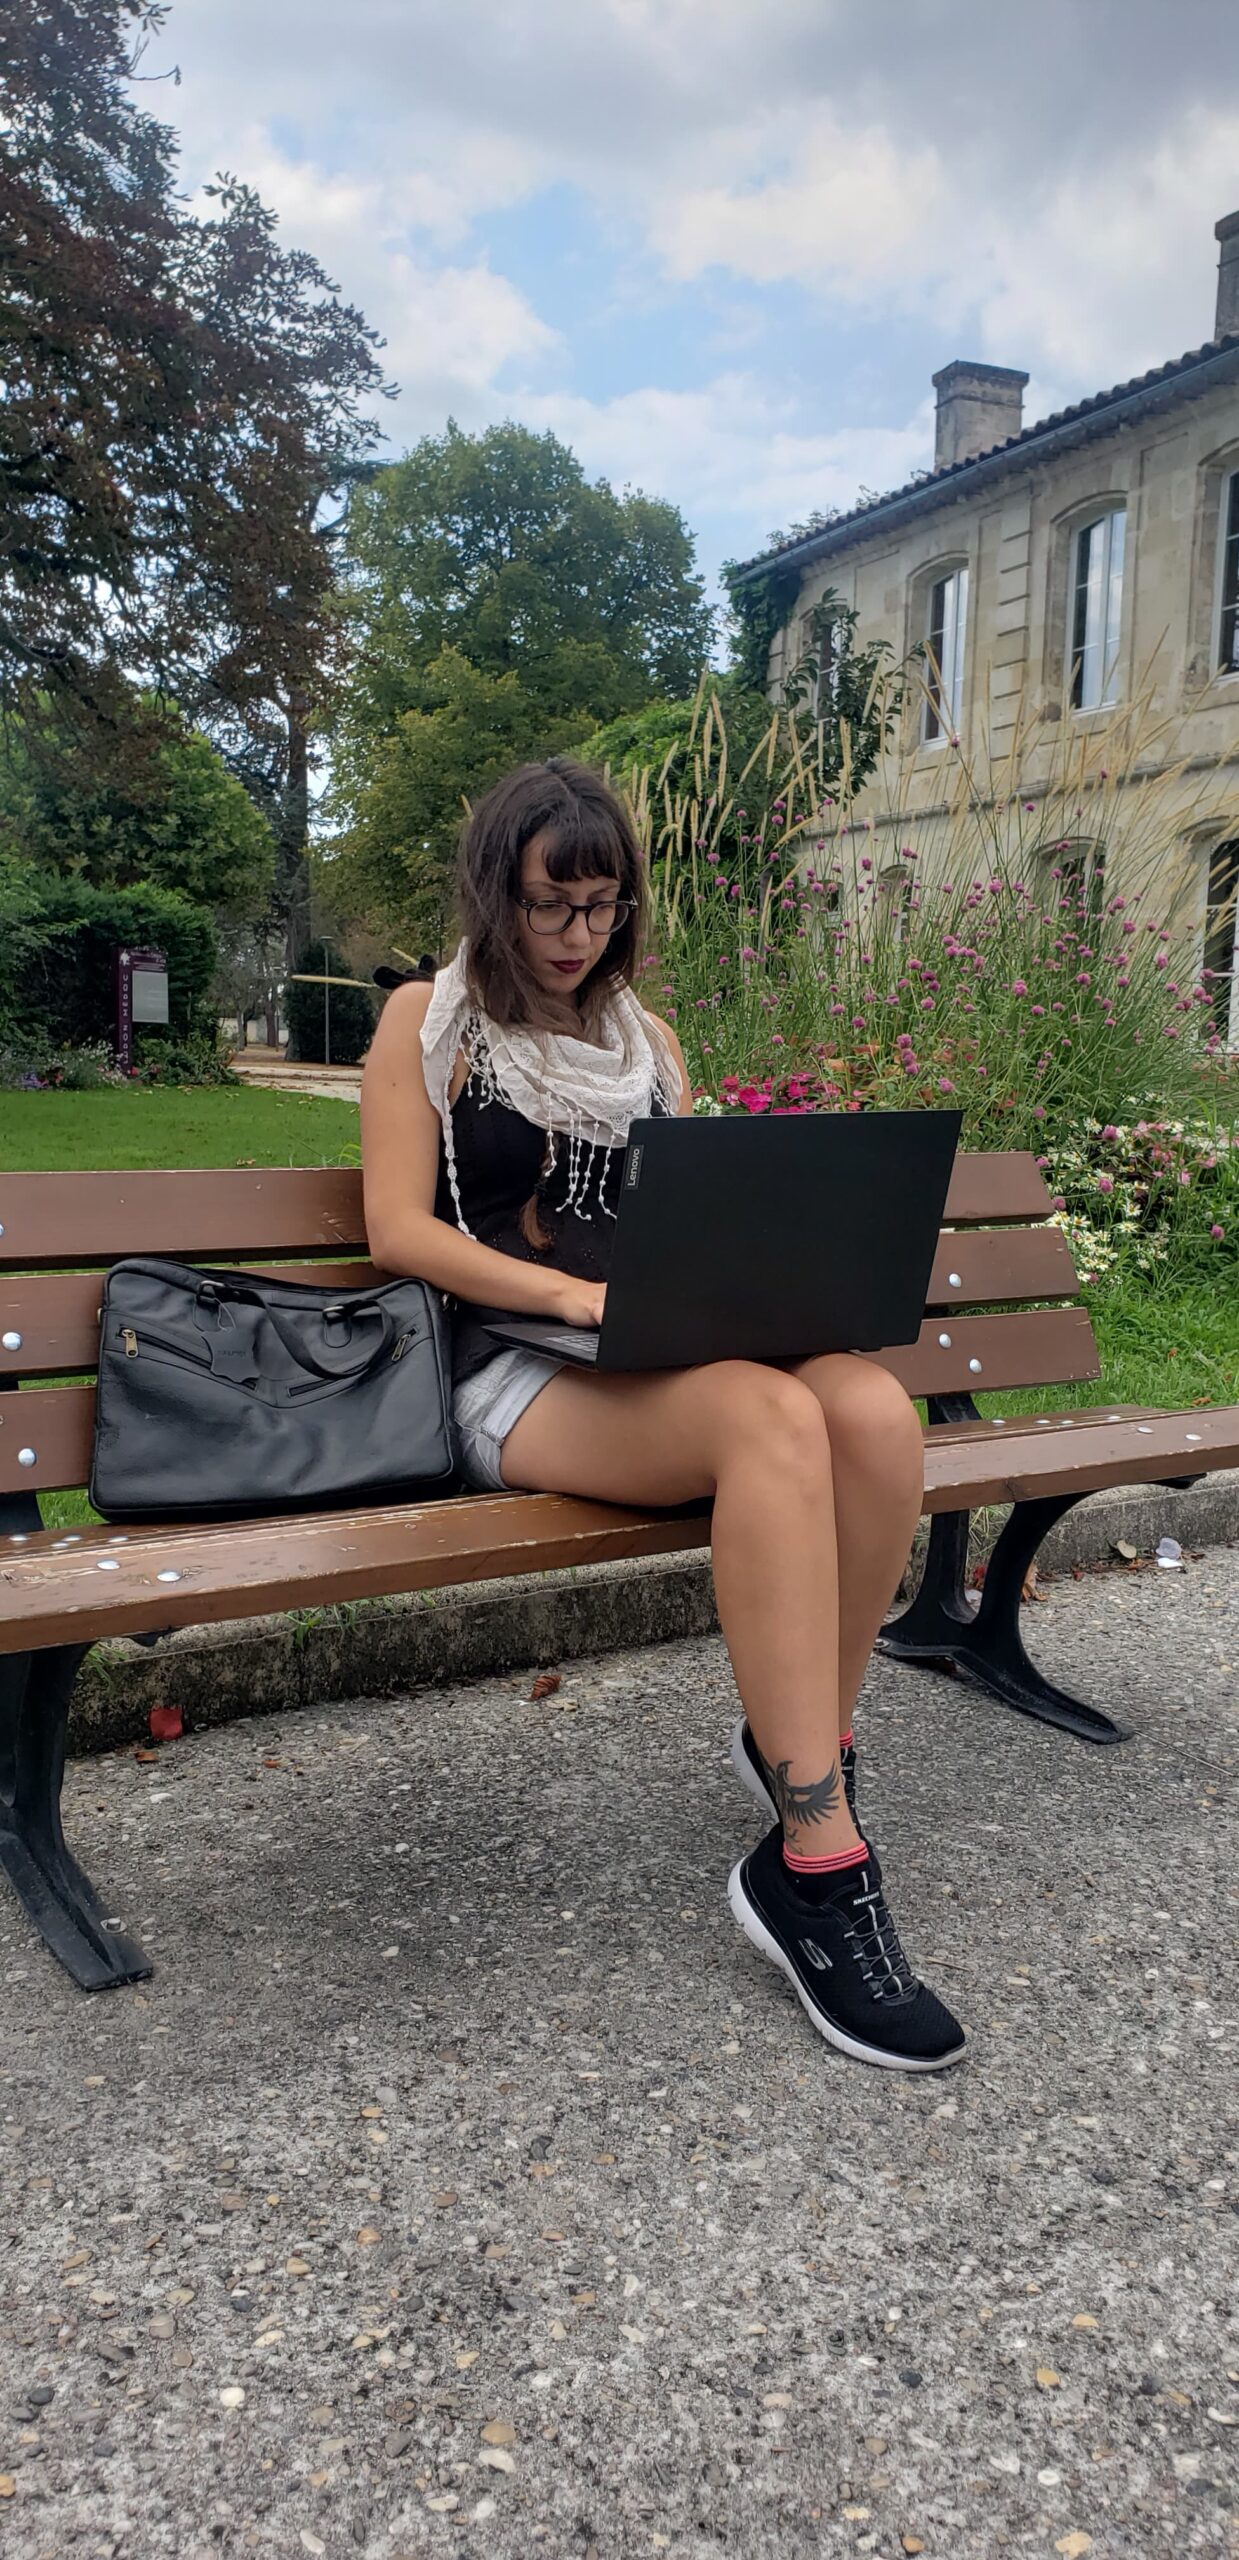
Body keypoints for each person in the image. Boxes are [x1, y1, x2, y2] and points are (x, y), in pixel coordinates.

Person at [362, 758, 966, 2073]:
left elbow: (684, 1219)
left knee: (867, 1408)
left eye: (601, 907)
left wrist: (765, 1287)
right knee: (766, 1421)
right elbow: (397, 1229)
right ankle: (816, 1856)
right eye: (549, 906)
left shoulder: (652, 1043)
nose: (578, 936)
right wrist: (569, 1304)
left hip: (657, 1354)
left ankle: (806, 1746)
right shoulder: (432, 1021)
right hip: (509, 1371)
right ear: (495, 893)